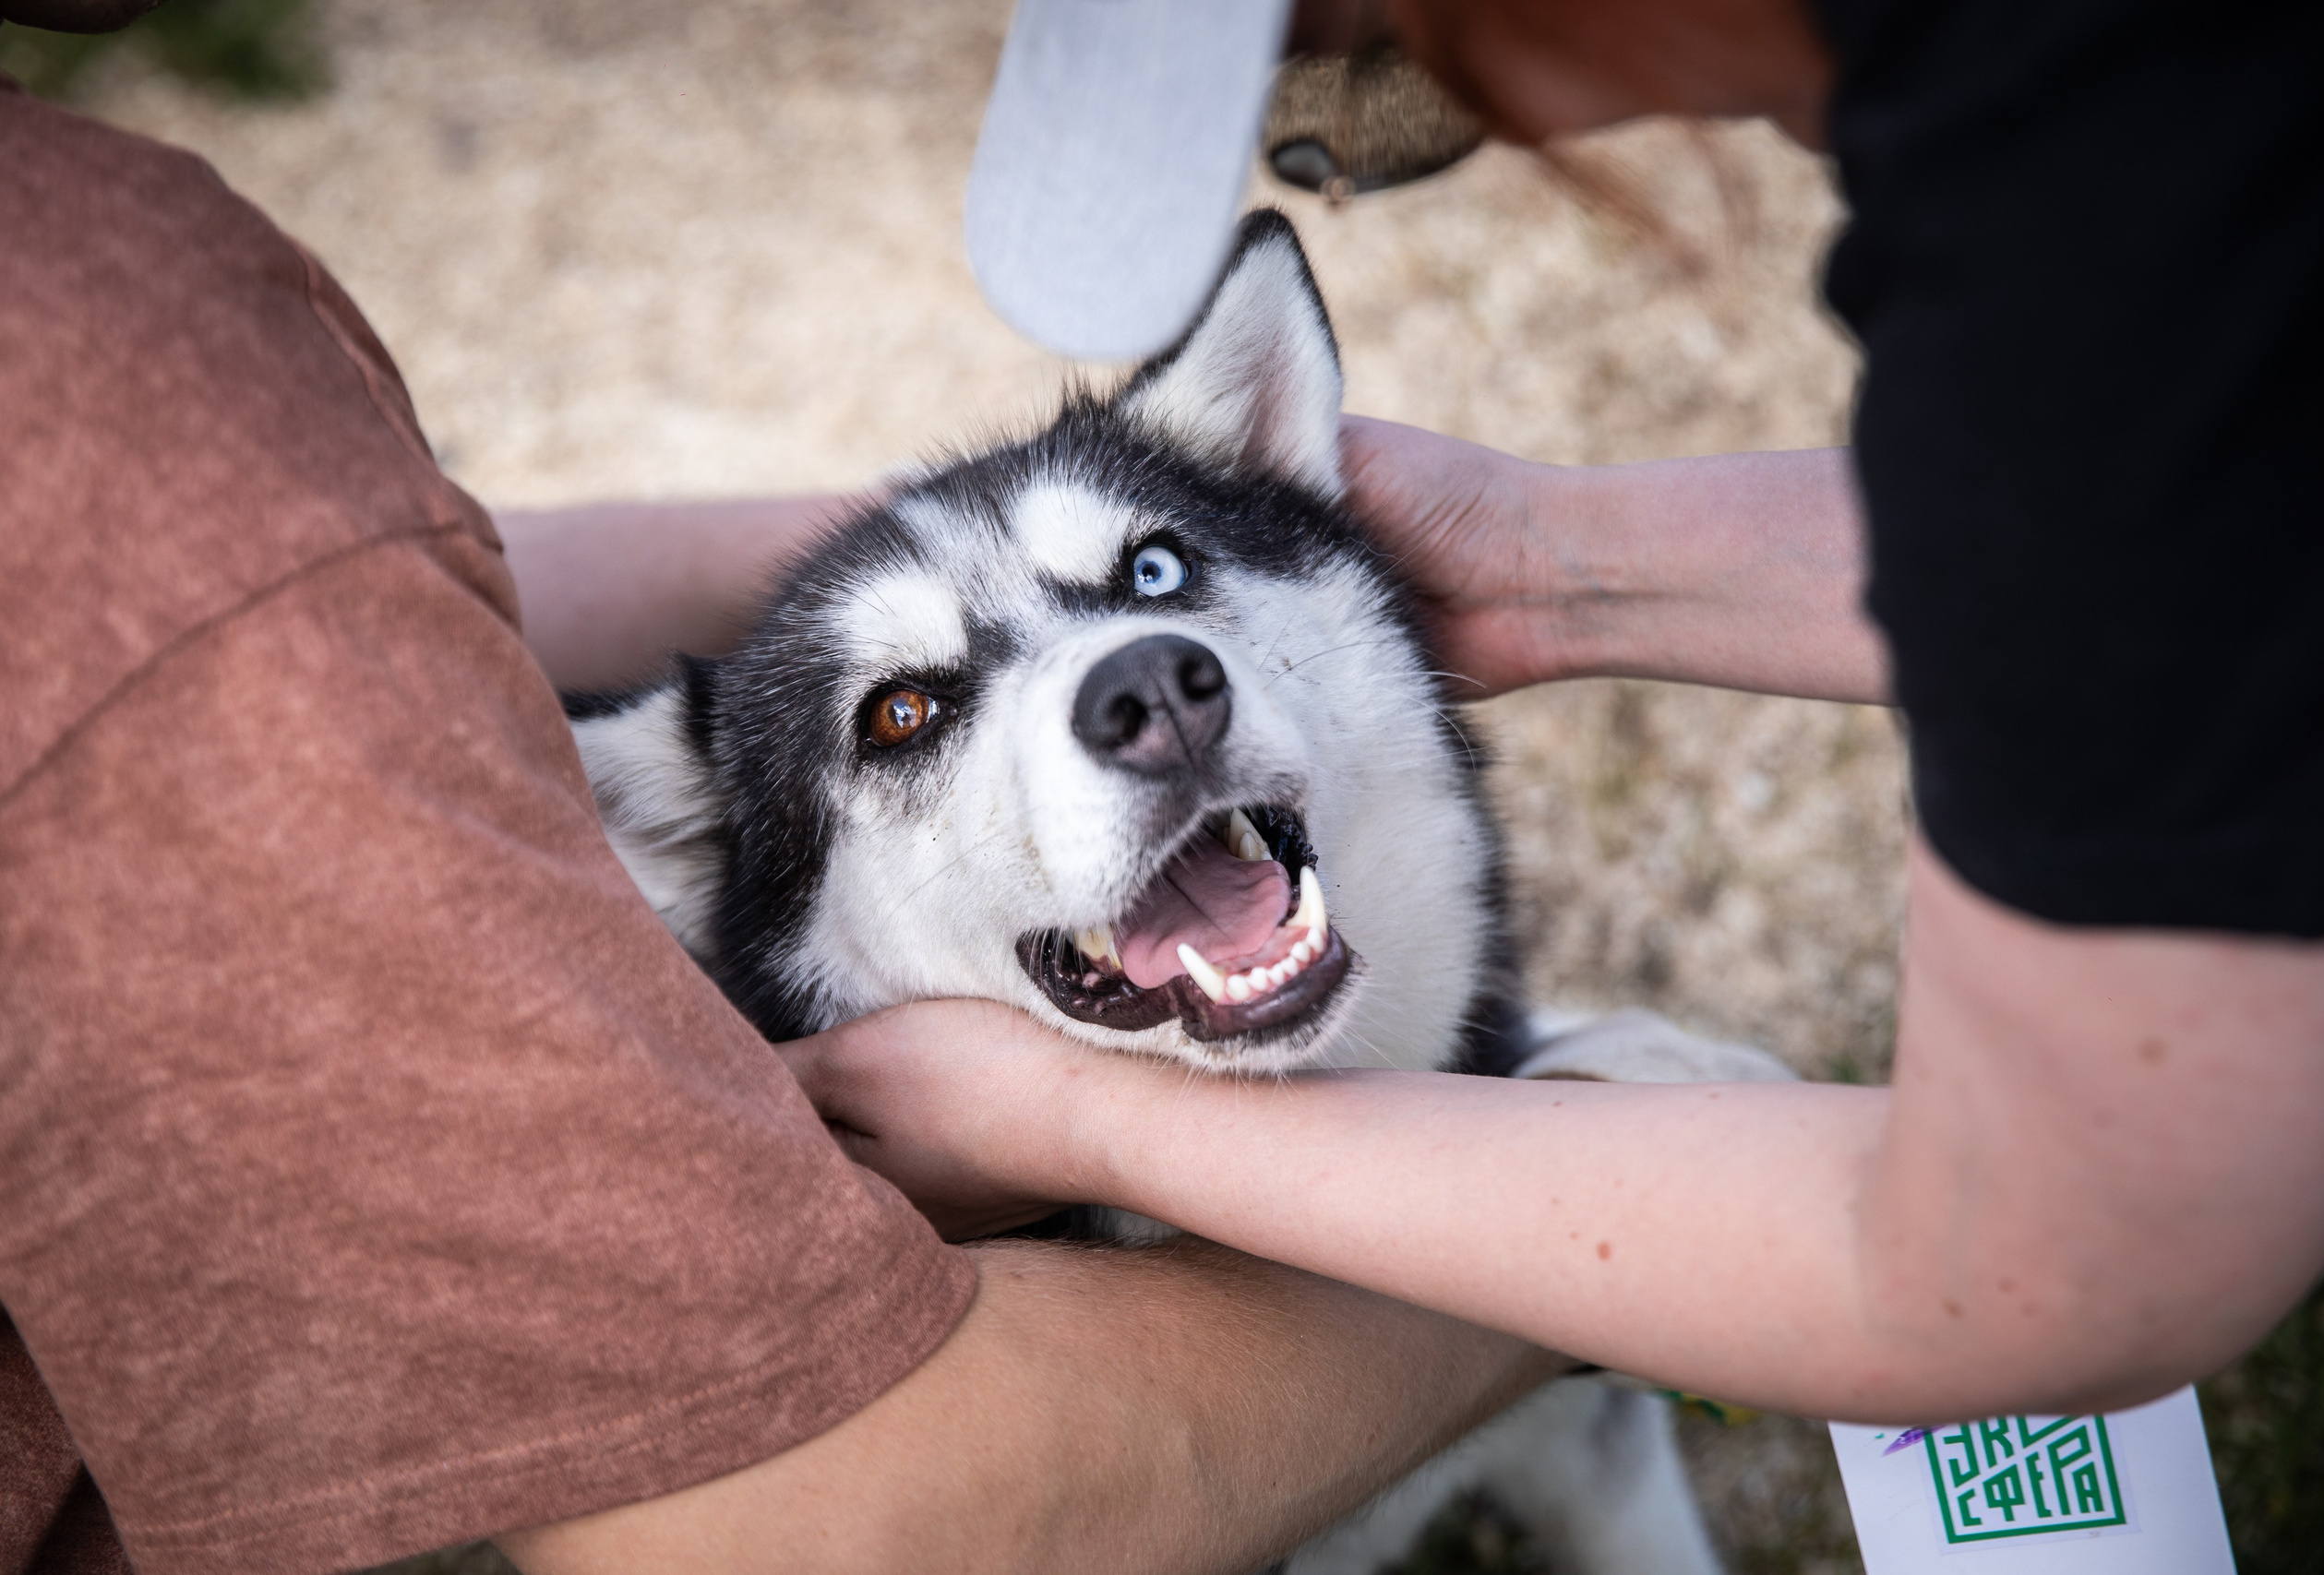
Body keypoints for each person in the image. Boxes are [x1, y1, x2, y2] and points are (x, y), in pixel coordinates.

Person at [0, 9, 1562, 1575]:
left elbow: (317, 582)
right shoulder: (110, 373)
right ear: (721, 880)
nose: (1136, 676)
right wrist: (1572, 1220)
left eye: (1152, 576)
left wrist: (911, 555)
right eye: (903, 717)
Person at [788, 0, 2324, 1456]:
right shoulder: (2104, 159)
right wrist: (1550, 565)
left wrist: (1084, 1125)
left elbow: (2047, 1269)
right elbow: (2186, 539)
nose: (1351, 108)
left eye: (1342, 29)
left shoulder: (2135, 204)